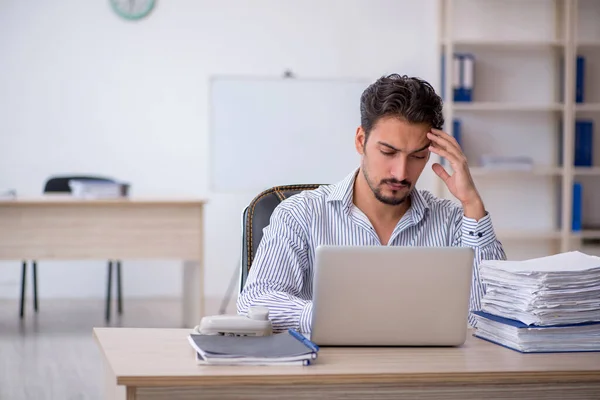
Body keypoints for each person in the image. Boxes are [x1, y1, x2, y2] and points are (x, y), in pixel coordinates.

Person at [237, 74, 507, 333]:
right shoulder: (300, 214)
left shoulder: (453, 221)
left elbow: (492, 316)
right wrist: (336, 316)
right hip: (331, 371)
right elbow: (256, 302)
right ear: (361, 141)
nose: (401, 173)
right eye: (388, 152)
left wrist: (471, 203)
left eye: (417, 156)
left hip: (424, 372)